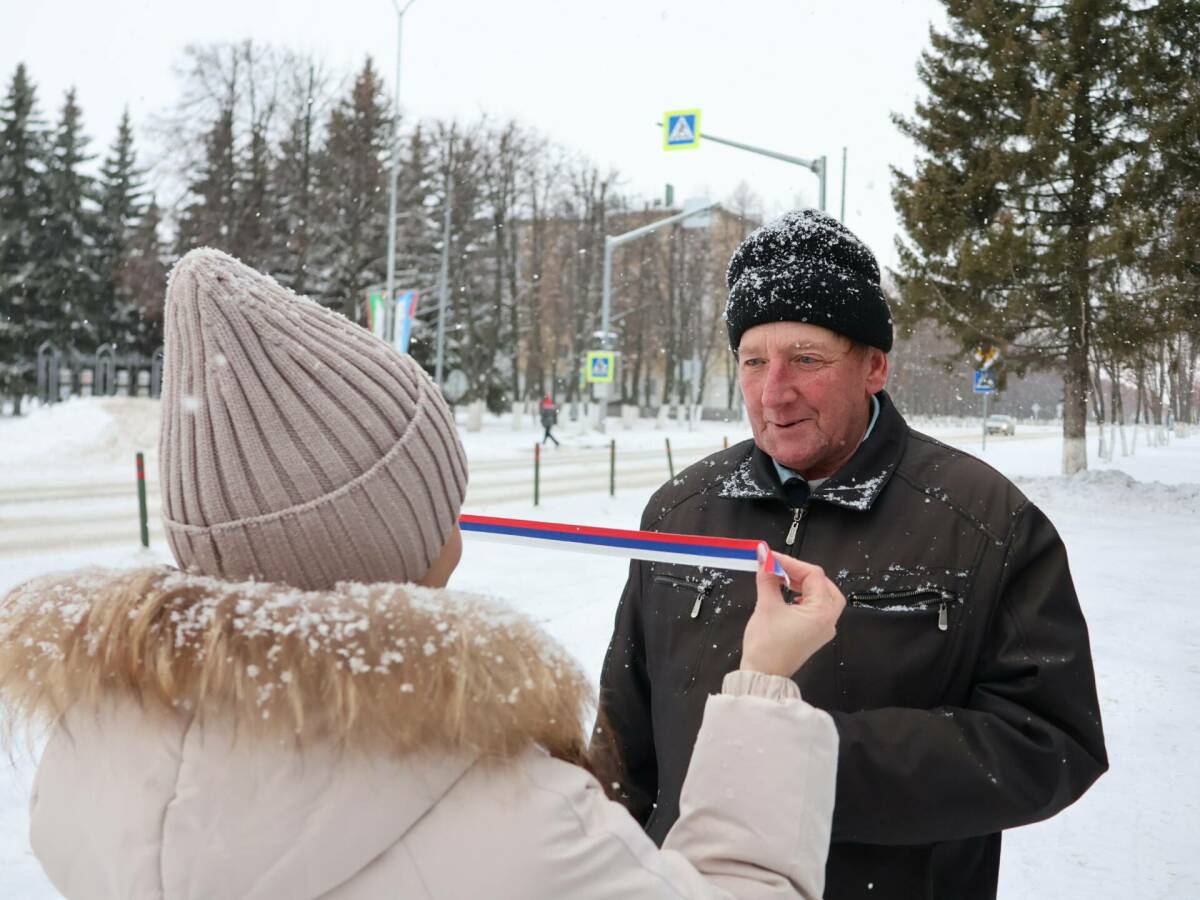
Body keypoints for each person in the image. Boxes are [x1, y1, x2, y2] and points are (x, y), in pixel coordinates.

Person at [0, 248, 846, 900]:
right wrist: (763, 686)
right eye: (438, 493)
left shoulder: (86, 776)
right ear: (393, 537)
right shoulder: (515, 819)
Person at [592, 210, 1109, 900]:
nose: (774, 391)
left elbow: (1049, 743)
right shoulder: (680, 514)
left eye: (805, 359)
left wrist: (809, 760)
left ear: (874, 365)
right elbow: (626, 737)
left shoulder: (985, 521)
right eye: (753, 361)